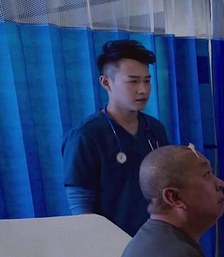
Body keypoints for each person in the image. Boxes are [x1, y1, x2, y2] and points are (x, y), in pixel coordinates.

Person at [63, 39, 169, 236]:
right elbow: (80, 203)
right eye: (133, 81)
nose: (143, 90)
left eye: (147, 81)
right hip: (109, 240)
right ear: (106, 82)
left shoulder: (154, 129)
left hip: (154, 237)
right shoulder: (86, 135)